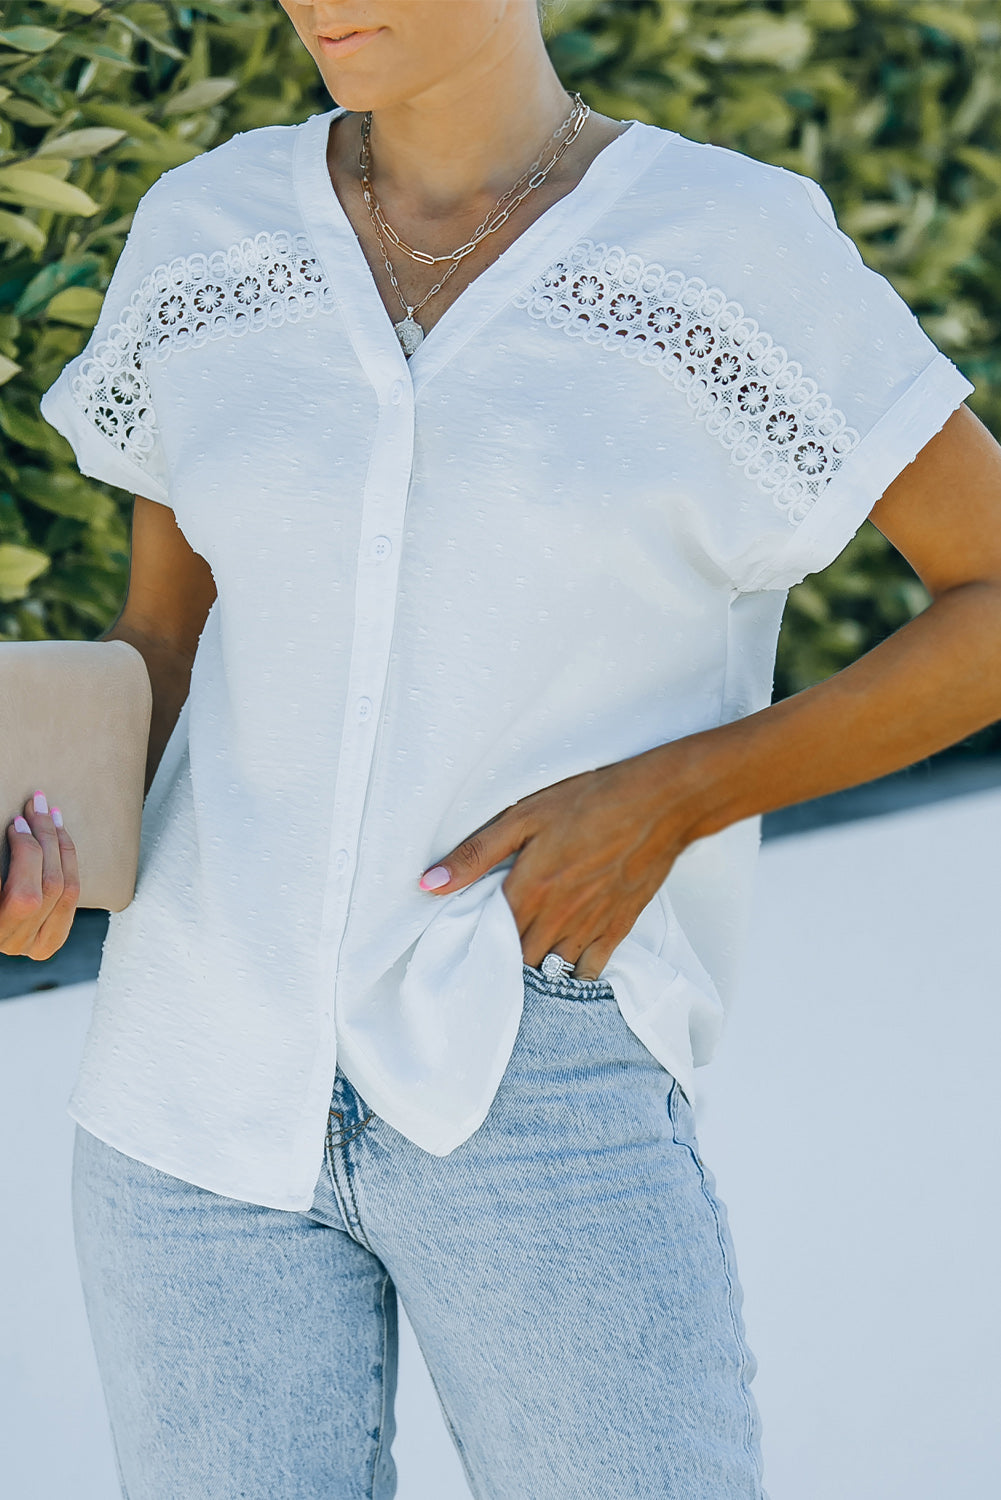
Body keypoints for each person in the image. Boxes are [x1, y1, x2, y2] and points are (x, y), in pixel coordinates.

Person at [6, 1, 1001, 1495]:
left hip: (538, 1070)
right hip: (188, 1097)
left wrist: (668, 801)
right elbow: (166, 646)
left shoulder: (725, 244)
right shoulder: (203, 232)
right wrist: (53, 842)